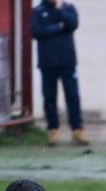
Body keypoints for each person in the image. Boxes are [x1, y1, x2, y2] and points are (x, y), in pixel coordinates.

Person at [30, 0, 88, 147]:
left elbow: (73, 24)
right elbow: (37, 31)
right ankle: (53, 130)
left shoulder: (68, 8)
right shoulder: (38, 11)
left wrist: (60, 10)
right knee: (49, 98)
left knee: (72, 96)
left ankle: (77, 130)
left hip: (67, 61)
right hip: (47, 63)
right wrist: (59, 27)